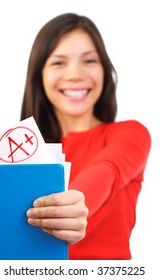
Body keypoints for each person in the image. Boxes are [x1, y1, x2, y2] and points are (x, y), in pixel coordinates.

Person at [21, 13, 151, 260]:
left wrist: (79, 199)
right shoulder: (21, 155)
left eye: (89, 61)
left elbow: (106, 170)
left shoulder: (131, 134)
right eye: (59, 63)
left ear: (105, 70)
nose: (75, 74)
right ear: (39, 75)